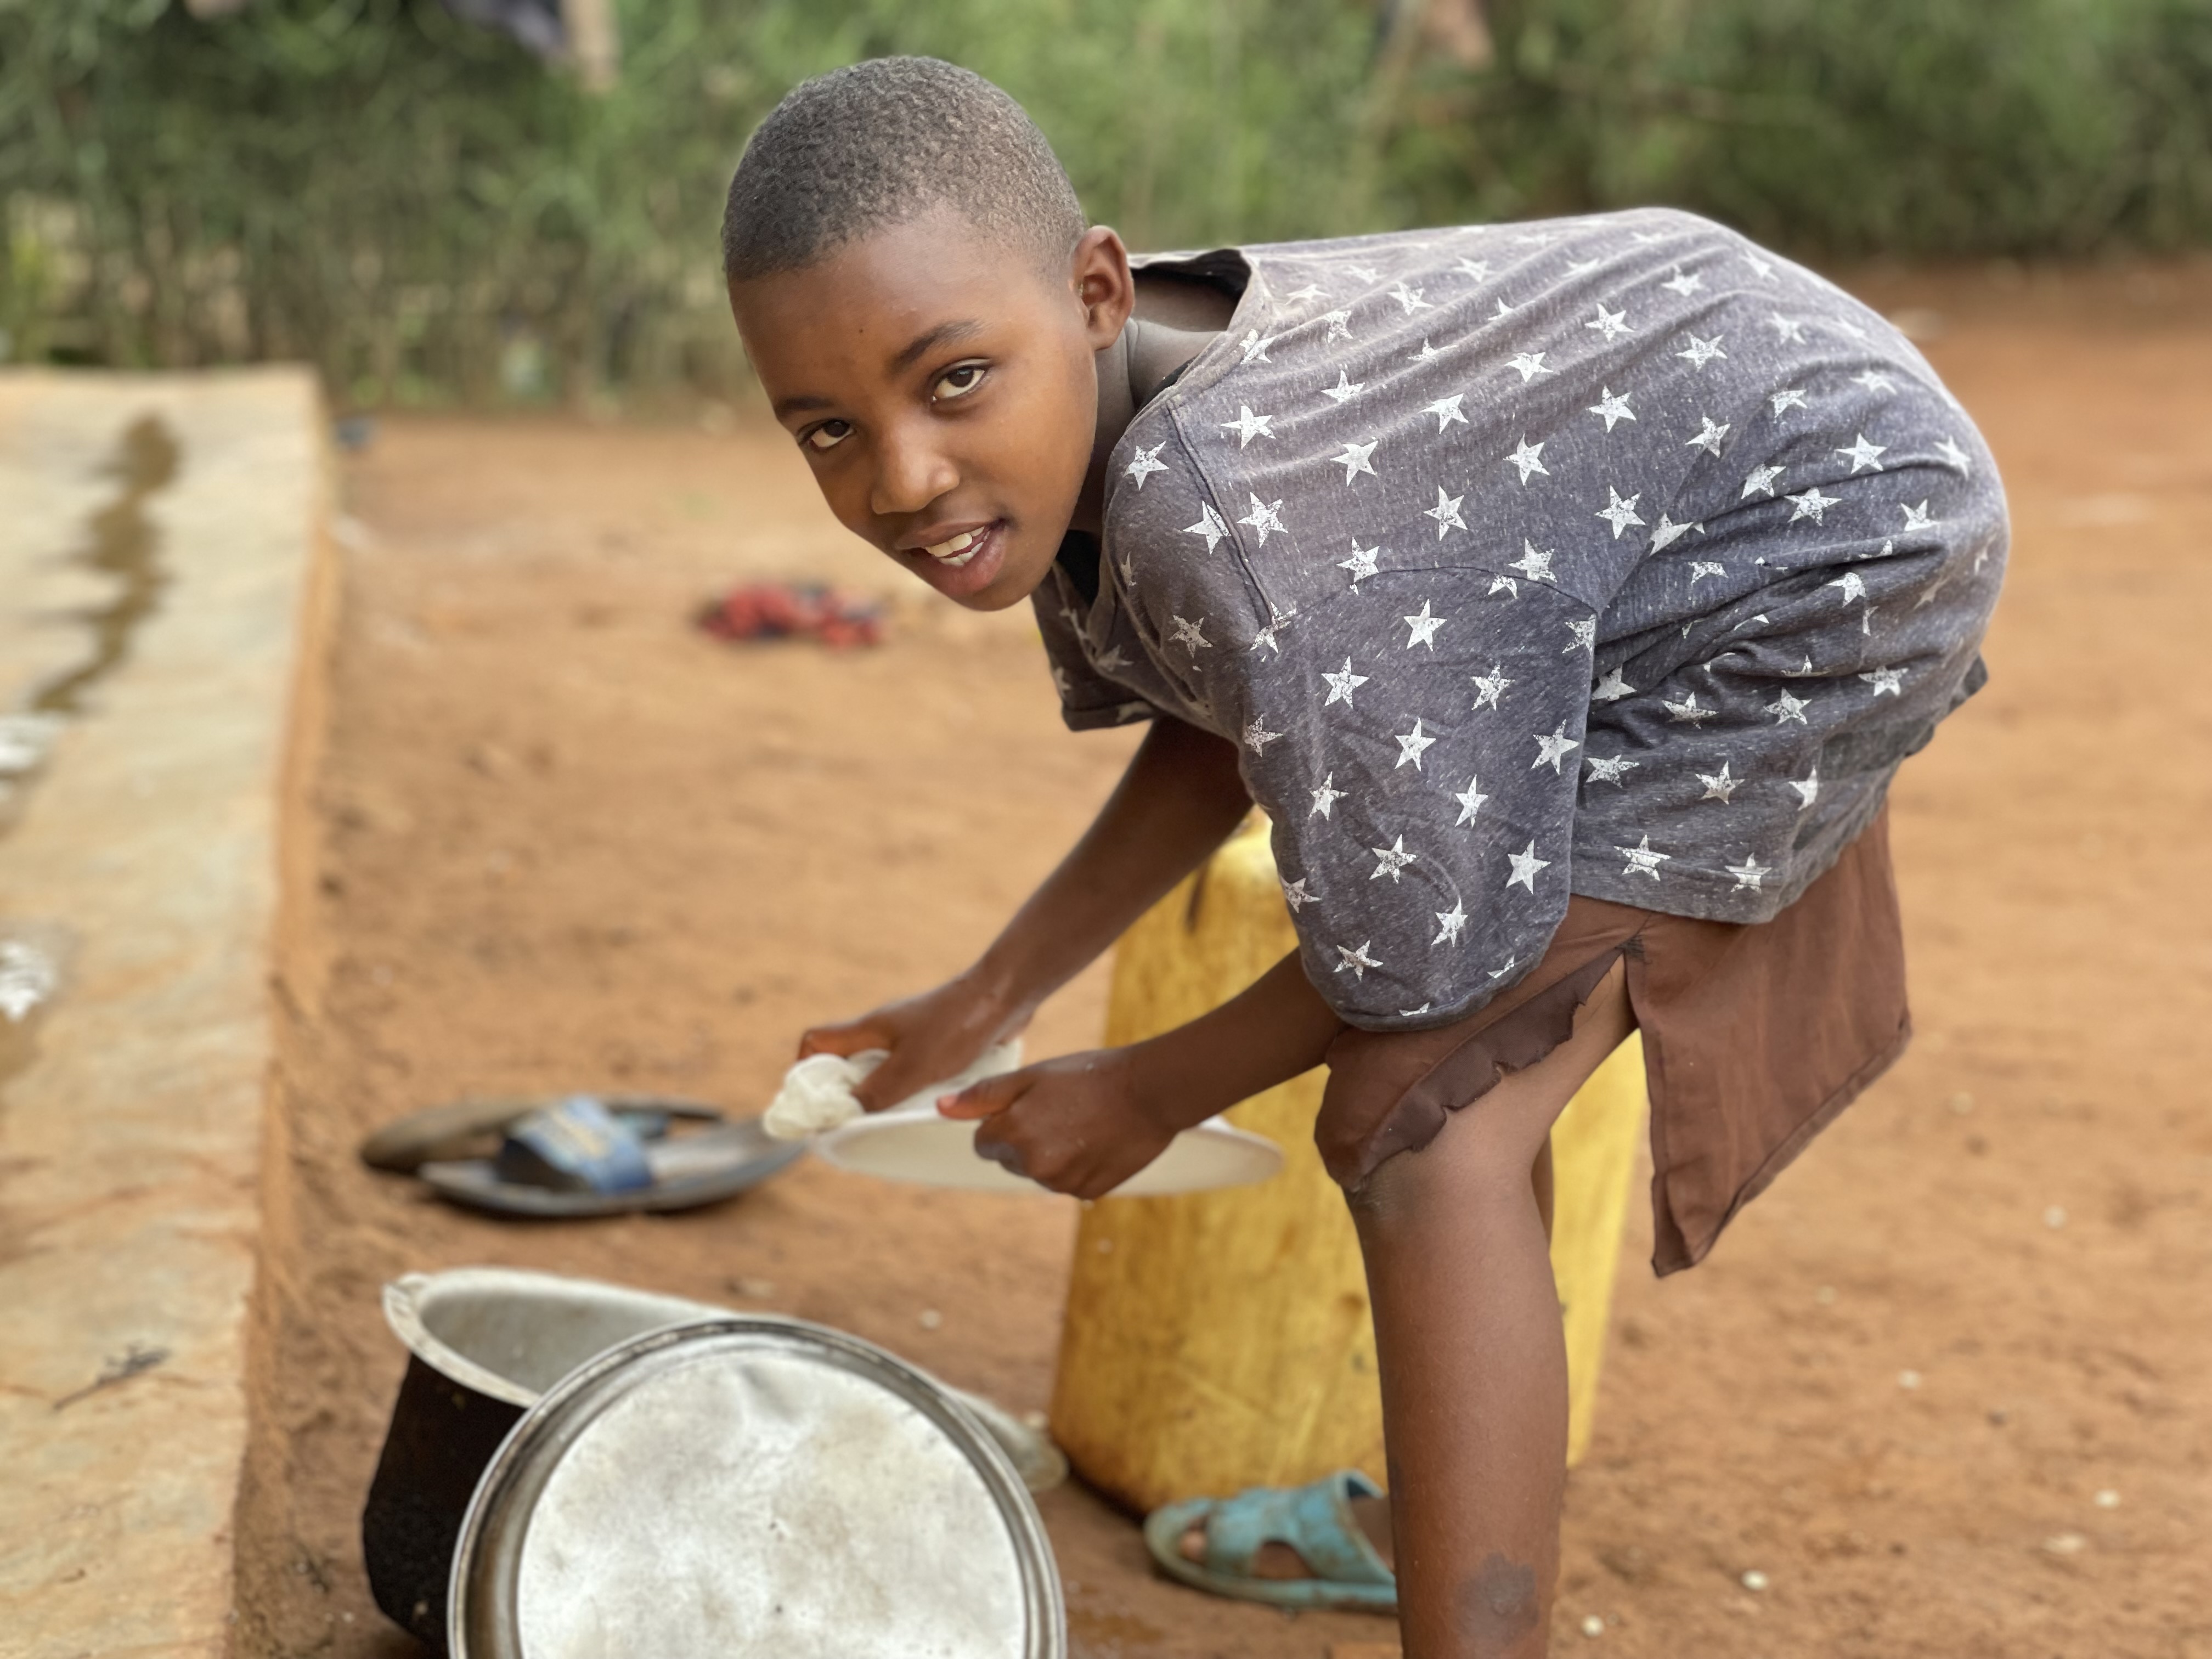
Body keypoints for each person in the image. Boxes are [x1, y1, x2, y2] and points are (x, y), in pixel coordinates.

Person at [720, 57, 2005, 1658]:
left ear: (1098, 289)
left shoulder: (1238, 518)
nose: (902, 479)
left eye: (952, 382)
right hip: (1704, 437)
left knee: (1421, 1117)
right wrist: (994, 993)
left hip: (1814, 535)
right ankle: (1444, 1516)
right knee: (1471, 1063)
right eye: (829, 429)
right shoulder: (1105, 418)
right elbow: (1228, 709)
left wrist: (1149, 1086)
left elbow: (1413, 951)